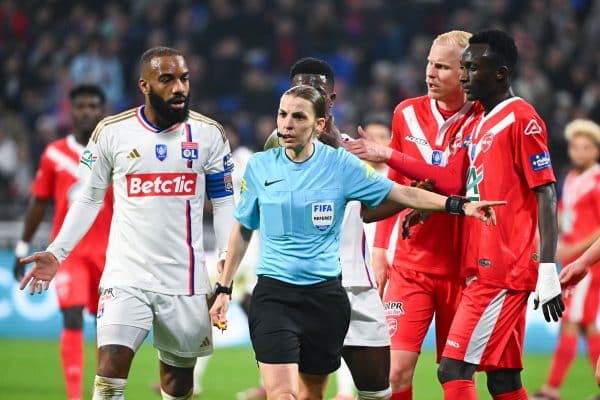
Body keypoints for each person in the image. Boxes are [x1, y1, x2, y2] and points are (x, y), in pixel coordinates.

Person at [209, 84, 504, 400]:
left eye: (298, 116)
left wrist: (458, 205)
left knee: (314, 394)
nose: (286, 124)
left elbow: (401, 192)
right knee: (282, 394)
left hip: (324, 299)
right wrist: (224, 289)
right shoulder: (259, 166)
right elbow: (243, 228)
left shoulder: (340, 165)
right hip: (274, 296)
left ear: (319, 124)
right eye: (282, 115)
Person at [346, 29, 565, 399]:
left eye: (452, 67)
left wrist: (547, 268)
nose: (436, 73)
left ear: (492, 71)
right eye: (432, 64)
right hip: (427, 266)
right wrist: (387, 240)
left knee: (470, 371)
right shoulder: (418, 114)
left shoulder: (497, 117)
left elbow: (464, 181)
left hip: (483, 268)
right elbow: (411, 183)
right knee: (414, 372)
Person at [19, 47, 235, 400]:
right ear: (145, 86)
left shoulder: (209, 134)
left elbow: (225, 202)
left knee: (178, 383)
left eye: (184, 79)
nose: (179, 87)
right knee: (109, 371)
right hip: (125, 275)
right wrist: (57, 253)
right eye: (167, 80)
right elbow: (87, 199)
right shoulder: (112, 132)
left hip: (186, 278)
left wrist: (226, 261)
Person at [371, 31, 479, 400]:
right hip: (411, 267)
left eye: (442, 67)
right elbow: (395, 185)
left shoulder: (483, 119)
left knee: (456, 376)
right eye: (429, 64)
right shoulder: (406, 113)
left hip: (465, 270)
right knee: (394, 371)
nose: (430, 73)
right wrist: (379, 250)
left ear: (465, 72)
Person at [13, 84, 110, 400]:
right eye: (80, 106)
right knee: (71, 315)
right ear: (71, 111)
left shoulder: (116, 152)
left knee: (106, 327)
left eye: (93, 106)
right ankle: (73, 396)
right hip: (69, 254)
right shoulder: (54, 153)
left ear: (102, 111)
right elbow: (39, 202)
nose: (87, 112)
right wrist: (23, 246)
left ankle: (103, 393)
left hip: (111, 253)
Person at [532, 119, 600, 400]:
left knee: (570, 322)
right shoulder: (572, 177)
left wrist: (576, 252)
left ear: (595, 151)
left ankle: (552, 389)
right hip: (575, 259)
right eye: (575, 146)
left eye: (586, 147)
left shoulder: (597, 182)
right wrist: (543, 237)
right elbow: (562, 214)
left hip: (590, 263)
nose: (579, 152)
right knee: (586, 325)